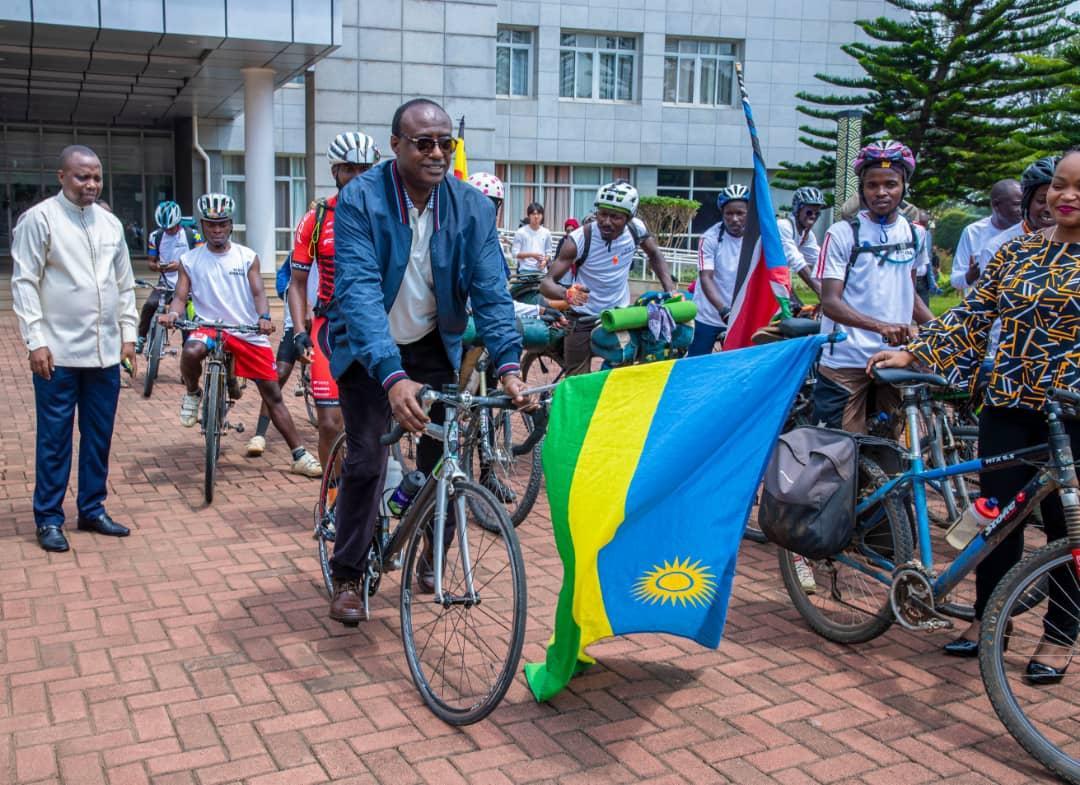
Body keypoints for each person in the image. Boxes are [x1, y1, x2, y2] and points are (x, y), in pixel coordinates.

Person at [869, 148, 1080, 678]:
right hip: (1010, 405)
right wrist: (915, 352)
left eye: (1079, 188)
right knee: (997, 517)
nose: (1066, 196)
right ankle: (990, 621)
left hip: (1073, 415)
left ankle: (1059, 636)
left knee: (1066, 528)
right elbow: (972, 316)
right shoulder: (1018, 253)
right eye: (1059, 185)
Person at [325, 98, 531, 625]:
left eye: (446, 142)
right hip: (367, 348)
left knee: (445, 459)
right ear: (396, 146)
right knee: (368, 459)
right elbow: (360, 293)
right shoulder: (360, 201)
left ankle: (429, 556)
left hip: (432, 345)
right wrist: (391, 376)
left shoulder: (472, 207)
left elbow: (490, 291)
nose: (437, 152)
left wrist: (509, 363)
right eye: (424, 143)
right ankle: (348, 571)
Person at [11, 144, 137, 552]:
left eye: (97, 176)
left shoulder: (110, 223)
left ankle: (92, 509)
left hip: (104, 352)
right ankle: (49, 517)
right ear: (61, 176)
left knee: (98, 436)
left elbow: (124, 283)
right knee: (55, 438)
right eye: (82, 176)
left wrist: (129, 335)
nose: (91, 184)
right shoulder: (40, 220)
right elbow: (25, 282)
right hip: (58, 353)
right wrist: (36, 340)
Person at [160, 193, 322, 478]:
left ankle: (299, 454)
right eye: (211, 225)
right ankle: (193, 393)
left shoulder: (247, 257)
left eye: (222, 224)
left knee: (272, 393)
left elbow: (259, 292)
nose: (217, 230)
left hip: (246, 330)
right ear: (202, 225)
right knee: (190, 350)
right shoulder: (190, 260)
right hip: (209, 326)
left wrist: (263, 318)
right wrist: (174, 314)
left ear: (231, 224)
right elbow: (180, 295)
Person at [813, 140, 935, 433]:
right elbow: (830, 301)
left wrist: (940, 329)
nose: (881, 192)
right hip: (845, 359)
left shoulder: (915, 234)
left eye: (890, 184)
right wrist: (881, 326)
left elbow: (909, 292)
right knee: (842, 449)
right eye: (872, 185)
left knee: (894, 443)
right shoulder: (841, 234)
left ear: (904, 186)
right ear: (862, 189)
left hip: (895, 357)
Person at [281, 131, 382, 468]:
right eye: (348, 168)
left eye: (364, 169)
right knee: (329, 423)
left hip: (378, 325)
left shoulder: (389, 216)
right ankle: (334, 500)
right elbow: (296, 283)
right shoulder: (317, 218)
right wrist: (298, 331)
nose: (356, 177)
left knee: (380, 425)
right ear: (334, 172)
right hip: (330, 329)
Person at [539, 181, 677, 375]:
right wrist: (567, 293)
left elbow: (654, 254)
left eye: (615, 217)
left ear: (629, 218)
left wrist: (670, 289)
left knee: (623, 374)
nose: (606, 221)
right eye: (602, 214)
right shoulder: (579, 239)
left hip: (619, 315)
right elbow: (546, 283)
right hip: (583, 317)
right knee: (577, 381)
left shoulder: (636, 230)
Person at [246, 263, 319, 457]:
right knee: (279, 374)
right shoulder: (299, 253)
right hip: (296, 323)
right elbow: (283, 283)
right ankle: (260, 434)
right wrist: (303, 306)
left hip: (326, 320)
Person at [686, 184, 750, 356]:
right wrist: (723, 310)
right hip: (709, 314)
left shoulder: (757, 239)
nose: (735, 219)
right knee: (696, 364)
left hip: (741, 316)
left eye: (740, 213)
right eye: (729, 213)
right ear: (722, 214)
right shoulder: (710, 238)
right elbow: (706, 277)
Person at [137, 200, 202, 353]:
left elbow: (200, 259)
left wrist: (179, 265)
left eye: (171, 227)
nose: (168, 231)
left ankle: (187, 350)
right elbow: (151, 263)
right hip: (165, 282)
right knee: (149, 305)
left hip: (187, 284)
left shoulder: (193, 235)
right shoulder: (156, 236)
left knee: (185, 318)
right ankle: (141, 338)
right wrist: (159, 266)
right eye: (165, 228)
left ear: (178, 222)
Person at [949, 178, 1022, 293]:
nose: (1022, 210)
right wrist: (970, 276)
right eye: (1017, 204)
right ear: (996, 205)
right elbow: (955, 280)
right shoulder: (972, 233)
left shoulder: (1029, 231)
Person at [778, 186, 826, 302]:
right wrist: (819, 289)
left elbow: (819, 260)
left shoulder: (807, 234)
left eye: (817, 213)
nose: (813, 217)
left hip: (779, 279)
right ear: (797, 210)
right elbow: (796, 260)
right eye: (809, 212)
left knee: (798, 310)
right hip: (762, 279)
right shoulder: (784, 226)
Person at [511, 202, 552, 273]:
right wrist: (532, 255)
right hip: (525, 270)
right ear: (529, 216)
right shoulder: (521, 232)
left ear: (542, 216)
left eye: (539, 214)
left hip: (541, 271)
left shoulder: (546, 232)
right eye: (533, 214)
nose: (536, 216)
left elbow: (549, 252)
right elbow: (515, 254)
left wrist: (545, 261)